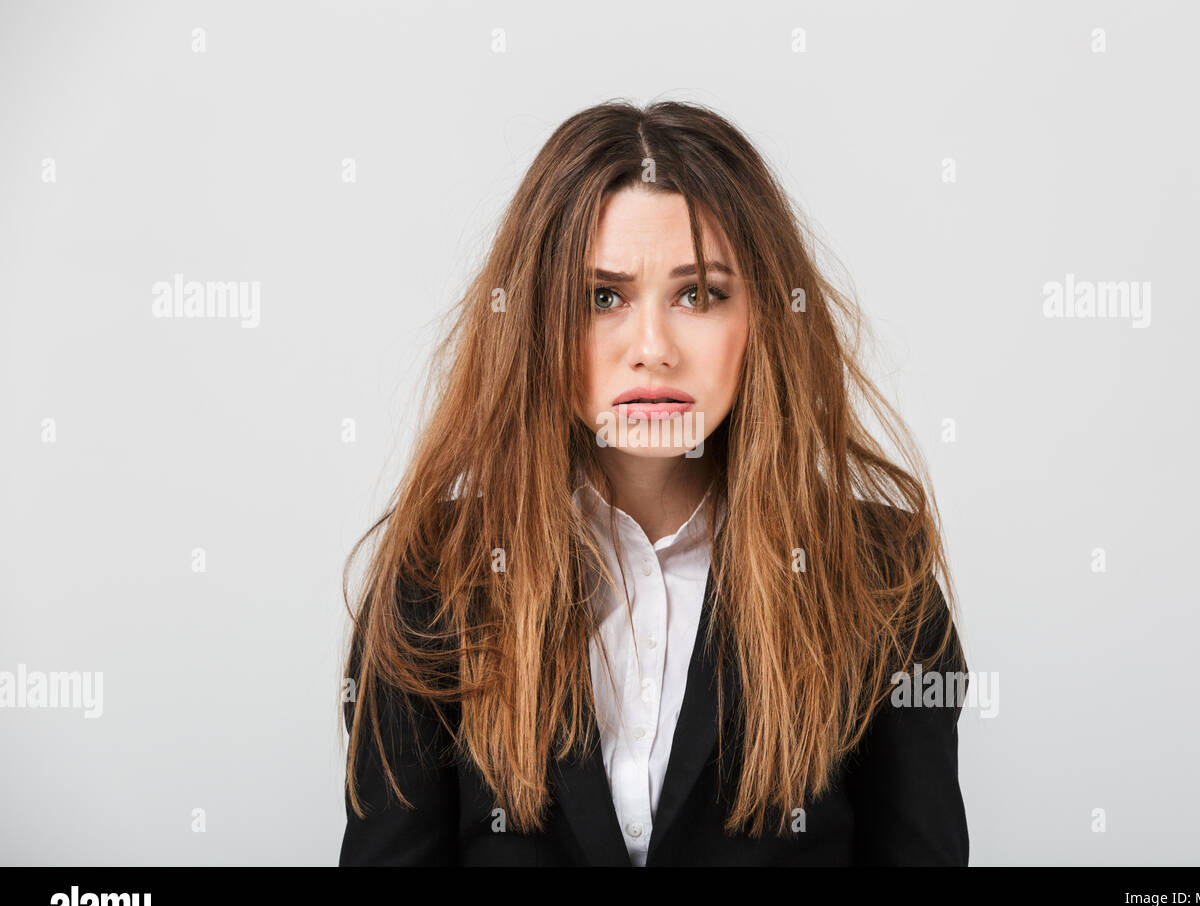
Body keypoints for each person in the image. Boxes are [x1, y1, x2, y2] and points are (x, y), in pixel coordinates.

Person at [338, 99, 969, 866]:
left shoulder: (880, 579)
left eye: (698, 294)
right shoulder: (434, 577)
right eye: (601, 297)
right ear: (534, 322)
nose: (652, 349)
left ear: (763, 317)